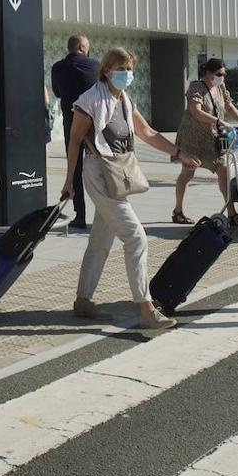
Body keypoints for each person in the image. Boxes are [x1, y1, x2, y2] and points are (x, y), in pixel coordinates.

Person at [61, 47, 200, 330]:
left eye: (130, 69)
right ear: (106, 70)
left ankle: (83, 301)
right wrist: (68, 182)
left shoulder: (124, 99)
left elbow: (148, 133)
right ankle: (146, 308)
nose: (127, 74)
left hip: (117, 174)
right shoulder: (89, 100)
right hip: (99, 174)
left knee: (101, 240)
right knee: (136, 238)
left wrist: (179, 153)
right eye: (121, 68)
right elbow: (74, 141)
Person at [172, 58, 238, 225]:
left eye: (224, 74)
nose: (222, 77)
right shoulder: (196, 87)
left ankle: (232, 213)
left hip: (213, 139)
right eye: (219, 74)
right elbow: (195, 112)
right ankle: (178, 211)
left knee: (224, 172)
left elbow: (228, 105)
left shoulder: (220, 87)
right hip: (193, 139)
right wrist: (219, 121)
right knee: (187, 173)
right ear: (208, 73)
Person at [51, 35, 100, 229]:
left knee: (75, 168)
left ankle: (80, 216)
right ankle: (105, 213)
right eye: (87, 47)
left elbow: (57, 92)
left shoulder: (57, 67)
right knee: (99, 166)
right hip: (94, 125)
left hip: (71, 124)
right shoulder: (96, 65)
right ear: (82, 47)